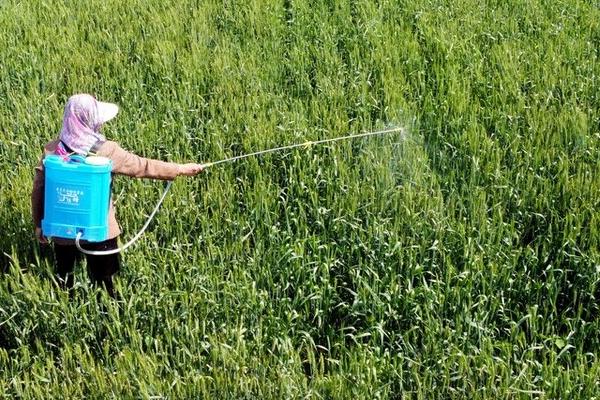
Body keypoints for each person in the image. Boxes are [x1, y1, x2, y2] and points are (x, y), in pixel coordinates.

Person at [31, 93, 204, 298]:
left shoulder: (52, 151)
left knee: (65, 277)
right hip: (100, 231)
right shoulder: (106, 151)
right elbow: (142, 166)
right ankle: (111, 314)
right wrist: (179, 169)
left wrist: (39, 224)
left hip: (63, 231)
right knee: (107, 282)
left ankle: (67, 307)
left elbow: (38, 190)